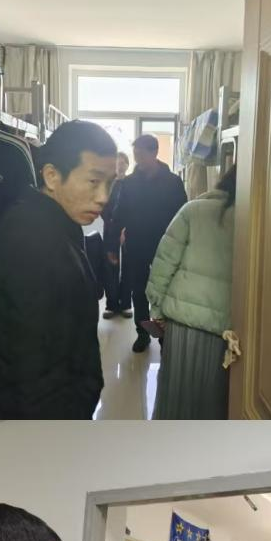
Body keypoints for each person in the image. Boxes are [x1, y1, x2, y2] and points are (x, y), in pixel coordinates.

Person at [0, 120, 117, 419]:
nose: (103, 196)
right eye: (93, 181)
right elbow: (34, 372)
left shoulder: (49, 225)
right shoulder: (33, 243)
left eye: (110, 183)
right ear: (52, 176)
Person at [147, 166, 238, 419]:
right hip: (226, 330)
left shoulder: (193, 211)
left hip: (182, 322)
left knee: (176, 392)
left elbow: (163, 264)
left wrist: (157, 311)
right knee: (213, 398)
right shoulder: (257, 222)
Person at [114, 134, 188, 353]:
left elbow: (182, 215)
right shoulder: (129, 183)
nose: (138, 160)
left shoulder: (173, 182)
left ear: (154, 152)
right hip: (136, 246)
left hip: (165, 246)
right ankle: (143, 333)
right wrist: (113, 243)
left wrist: (183, 245)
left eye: (141, 155)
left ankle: (165, 337)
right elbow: (120, 213)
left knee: (165, 292)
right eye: (135, 155)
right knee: (139, 292)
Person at [101, 151, 132, 319]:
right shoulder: (108, 184)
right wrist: (110, 222)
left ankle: (126, 304)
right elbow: (102, 205)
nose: (120, 165)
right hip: (110, 229)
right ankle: (111, 304)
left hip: (128, 231)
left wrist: (126, 227)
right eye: (117, 163)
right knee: (110, 266)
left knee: (128, 266)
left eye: (123, 162)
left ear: (127, 164)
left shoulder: (131, 183)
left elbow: (134, 207)